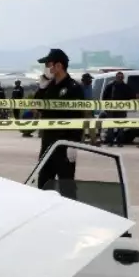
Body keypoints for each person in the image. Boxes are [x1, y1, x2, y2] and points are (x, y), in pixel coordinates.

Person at [33, 48, 86, 191]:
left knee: (66, 187)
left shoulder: (73, 88)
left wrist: (74, 143)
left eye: (48, 64)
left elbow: (78, 118)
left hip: (64, 144)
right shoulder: (49, 86)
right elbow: (37, 107)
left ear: (58, 66)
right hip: (48, 142)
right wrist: (42, 88)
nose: (46, 68)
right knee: (43, 184)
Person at [100, 71, 133, 146]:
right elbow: (104, 97)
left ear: (123, 78)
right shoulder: (110, 86)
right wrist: (106, 107)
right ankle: (110, 142)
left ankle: (119, 142)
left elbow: (131, 96)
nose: (119, 78)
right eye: (118, 77)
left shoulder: (126, 87)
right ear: (116, 77)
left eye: (121, 77)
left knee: (121, 127)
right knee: (110, 127)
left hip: (122, 110)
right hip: (111, 109)